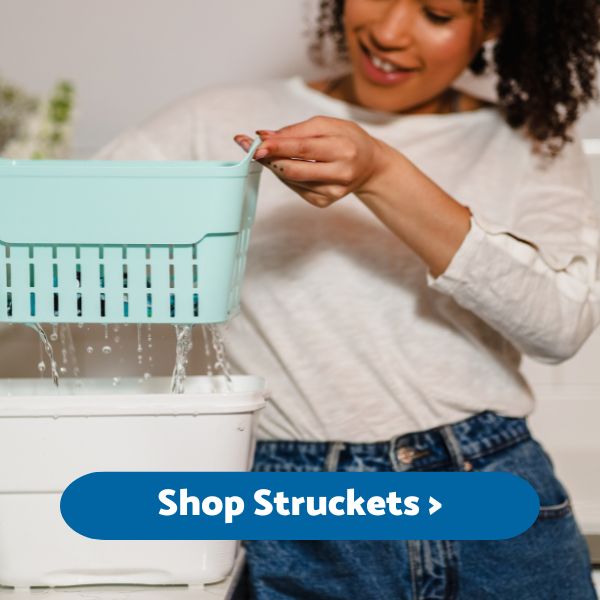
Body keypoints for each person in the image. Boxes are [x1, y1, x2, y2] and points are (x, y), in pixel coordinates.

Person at [94, 0, 600, 597]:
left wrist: (382, 173)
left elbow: (559, 327)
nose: (387, 33)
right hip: (294, 502)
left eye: (437, 14)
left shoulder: (530, 141)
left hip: (484, 491)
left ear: (493, 24)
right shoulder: (212, 121)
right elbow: (61, 239)